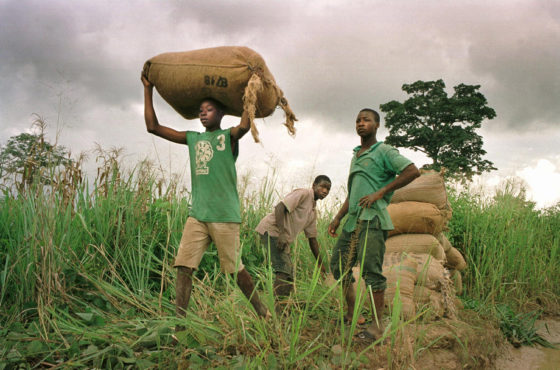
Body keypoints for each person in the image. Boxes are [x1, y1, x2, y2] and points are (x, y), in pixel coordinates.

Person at [141, 74, 269, 332]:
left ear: (221, 113)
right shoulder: (193, 139)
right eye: (200, 111)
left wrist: (250, 93)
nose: (203, 114)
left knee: (235, 270)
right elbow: (153, 127)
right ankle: (180, 326)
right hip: (198, 215)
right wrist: (148, 89)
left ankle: (263, 313)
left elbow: (244, 126)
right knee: (183, 267)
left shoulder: (228, 137)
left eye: (209, 109)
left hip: (224, 216)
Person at [328, 108, 420, 342]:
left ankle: (378, 327)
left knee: (371, 273)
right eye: (358, 120)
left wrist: (381, 193)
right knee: (338, 266)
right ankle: (351, 313)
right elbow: (353, 193)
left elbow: (412, 171)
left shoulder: (384, 151)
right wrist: (338, 217)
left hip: (373, 222)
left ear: (377, 125)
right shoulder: (357, 155)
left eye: (366, 120)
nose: (361, 123)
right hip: (352, 222)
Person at [255, 176, 331, 297]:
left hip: (280, 236)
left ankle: (283, 307)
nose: (325, 191)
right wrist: (282, 234)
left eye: (328, 189)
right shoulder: (304, 193)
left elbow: (313, 240)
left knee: (289, 276)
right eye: (322, 186)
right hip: (272, 230)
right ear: (314, 185)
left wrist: (320, 264)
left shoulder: (312, 212)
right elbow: (280, 207)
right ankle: (275, 309)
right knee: (284, 270)